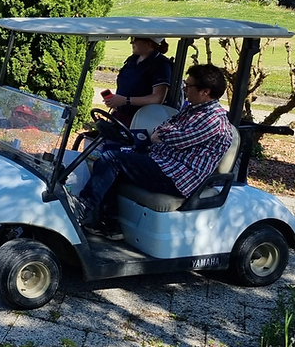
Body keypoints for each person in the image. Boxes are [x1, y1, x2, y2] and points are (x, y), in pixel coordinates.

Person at [79, 63, 233, 240]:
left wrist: (163, 133)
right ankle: (109, 224)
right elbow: (162, 128)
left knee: (113, 159)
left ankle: (83, 207)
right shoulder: (193, 110)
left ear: (205, 91)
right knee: (107, 158)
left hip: (178, 178)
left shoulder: (214, 121)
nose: (185, 88)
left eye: (189, 86)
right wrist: (163, 132)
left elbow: (177, 139)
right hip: (164, 164)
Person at [103, 37, 172, 127]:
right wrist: (116, 102)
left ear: (149, 43)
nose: (131, 42)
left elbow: (157, 98)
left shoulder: (161, 65)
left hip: (141, 121)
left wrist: (125, 100)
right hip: (120, 116)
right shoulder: (132, 60)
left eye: (135, 39)